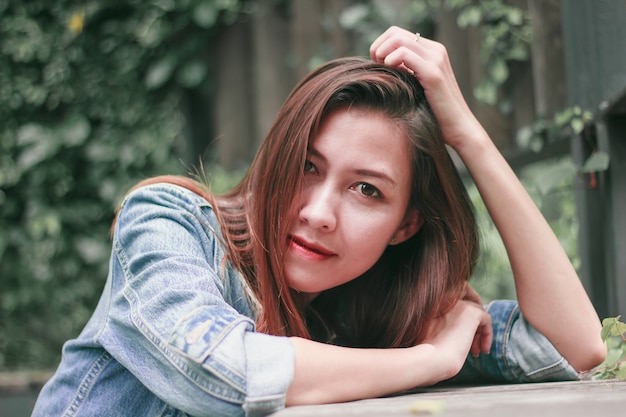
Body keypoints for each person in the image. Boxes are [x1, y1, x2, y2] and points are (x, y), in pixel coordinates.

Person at [31, 26, 606, 417]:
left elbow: (574, 345)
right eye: (308, 166)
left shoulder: (371, 303)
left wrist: (469, 138)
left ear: (405, 225)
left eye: (366, 190)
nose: (317, 213)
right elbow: (220, 372)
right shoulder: (170, 225)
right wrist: (428, 360)